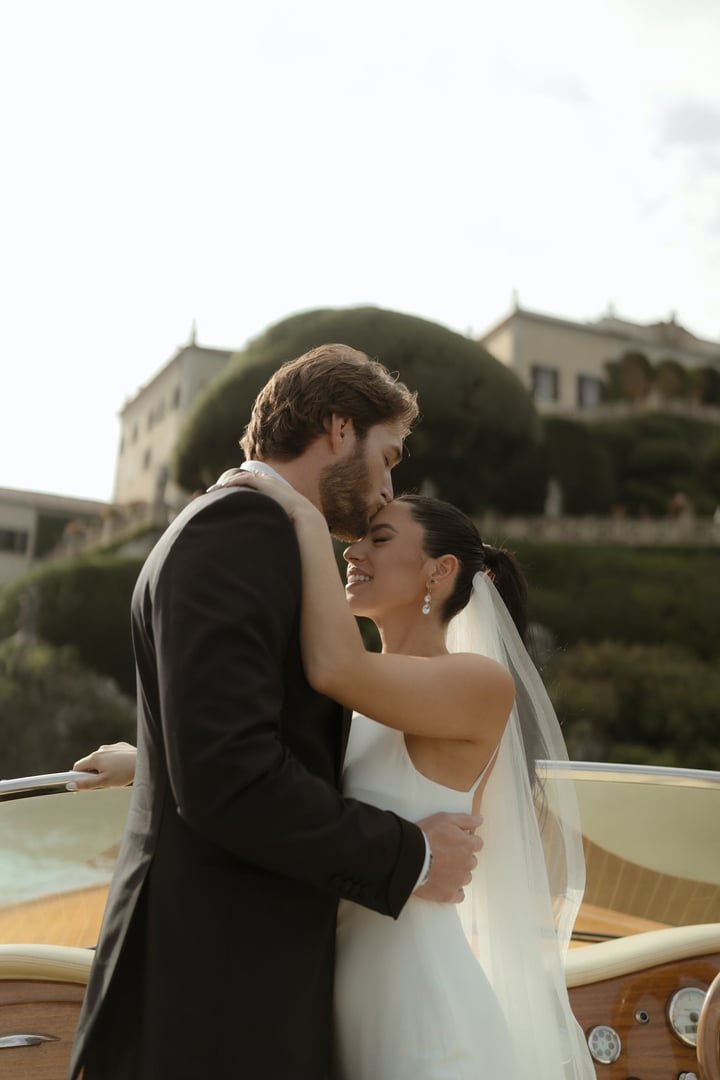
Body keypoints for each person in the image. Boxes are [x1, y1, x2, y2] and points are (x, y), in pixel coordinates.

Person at [75, 481, 595, 1077]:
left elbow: (332, 665)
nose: (352, 552)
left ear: (438, 571)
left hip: (418, 1004)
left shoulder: (476, 684)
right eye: (352, 541)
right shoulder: (358, 699)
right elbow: (285, 779)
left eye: (379, 538)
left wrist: (298, 512)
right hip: (332, 997)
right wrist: (148, 762)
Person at [67, 344, 484, 1080]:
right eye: (387, 457)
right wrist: (410, 855)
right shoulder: (242, 533)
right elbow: (230, 776)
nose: (389, 488)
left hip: (227, 978)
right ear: (336, 428)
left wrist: (150, 763)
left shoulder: (238, 529)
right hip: (213, 993)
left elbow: (225, 741)